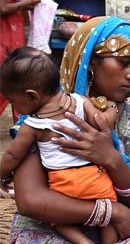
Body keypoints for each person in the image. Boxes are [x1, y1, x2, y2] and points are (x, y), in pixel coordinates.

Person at [3, 16, 130, 243]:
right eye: (124, 62)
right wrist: (112, 211)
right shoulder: (43, 116)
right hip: (49, 229)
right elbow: (31, 200)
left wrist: (111, 158)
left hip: (114, 232)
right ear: (90, 60)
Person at [0, 46, 121, 244]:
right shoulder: (80, 102)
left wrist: (3, 174)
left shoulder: (32, 125)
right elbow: (102, 122)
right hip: (95, 178)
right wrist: (112, 109)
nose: (15, 107)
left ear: (32, 96)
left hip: (63, 185)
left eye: (13, 101)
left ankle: (83, 241)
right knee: (107, 219)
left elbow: (13, 156)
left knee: (56, 218)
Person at [0, 0, 41, 123]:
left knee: (19, 86)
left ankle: (20, 127)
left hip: (14, 41)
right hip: (5, 42)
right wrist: (26, 3)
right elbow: (2, 8)